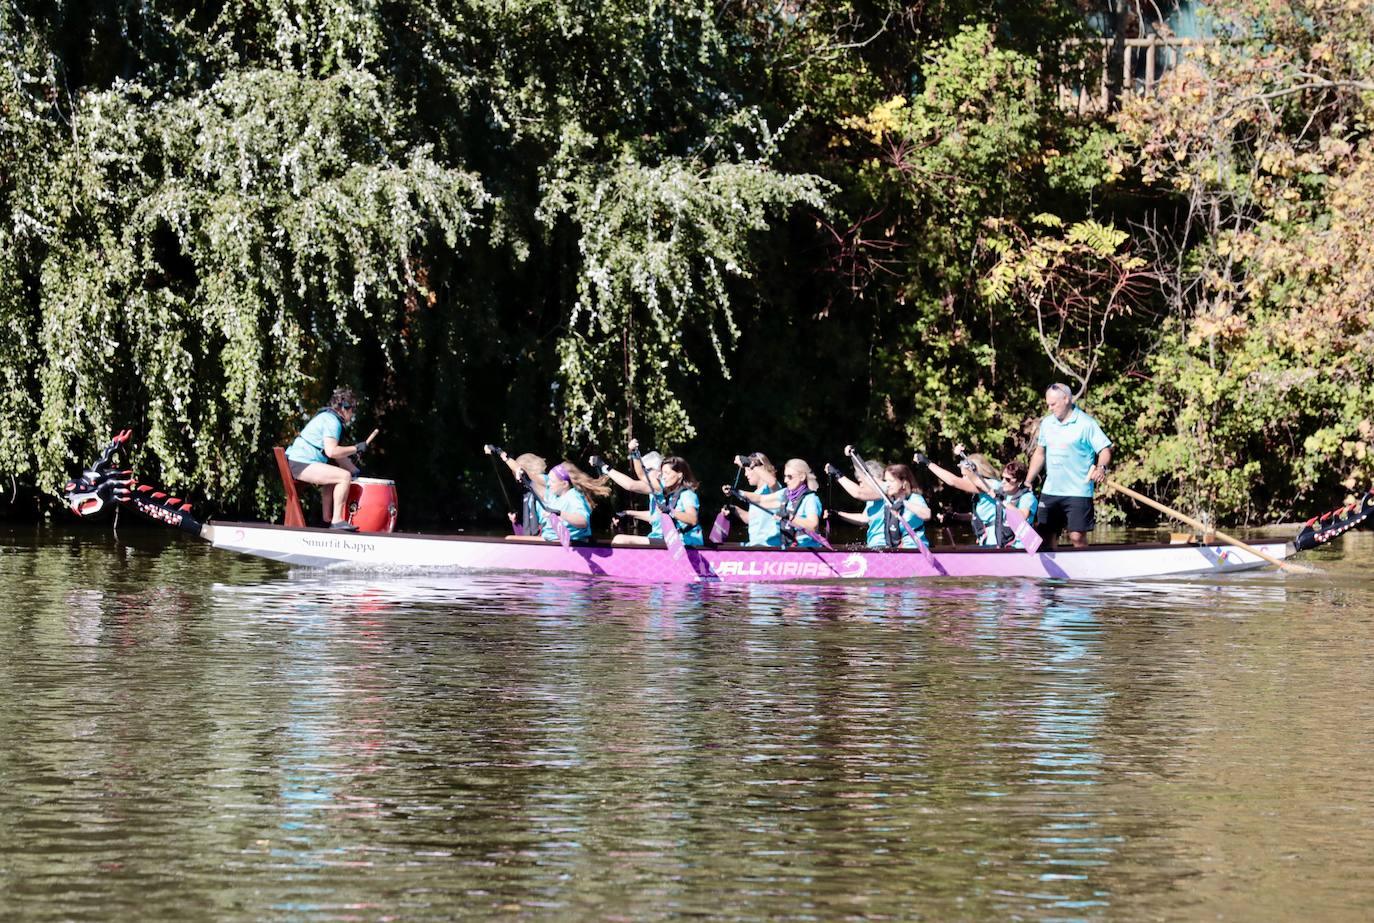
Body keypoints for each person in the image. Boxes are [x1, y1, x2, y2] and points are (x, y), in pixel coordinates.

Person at [1025, 383, 1113, 549]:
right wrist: (1029, 480)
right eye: (1048, 404)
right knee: (1044, 536)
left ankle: (1085, 571)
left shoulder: (1086, 423)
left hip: (1078, 491)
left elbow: (1104, 449)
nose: (1050, 408)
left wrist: (1101, 468)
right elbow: (1039, 453)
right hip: (1051, 490)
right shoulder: (1047, 424)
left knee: (1076, 536)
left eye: (1053, 404)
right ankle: (1050, 574)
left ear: (1066, 399)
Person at [284, 387, 370, 531]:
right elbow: (332, 452)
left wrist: (357, 472)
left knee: (335, 475)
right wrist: (356, 448)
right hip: (301, 464)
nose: (353, 414)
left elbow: (338, 456)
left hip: (298, 462)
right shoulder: (333, 422)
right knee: (343, 476)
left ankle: (327, 520)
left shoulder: (328, 417)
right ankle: (337, 521)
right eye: (353, 409)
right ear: (344, 408)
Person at [918, 450, 1038, 548]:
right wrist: (954, 516)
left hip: (997, 543)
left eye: (965, 475)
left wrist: (928, 463)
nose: (963, 479)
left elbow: (953, 481)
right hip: (989, 541)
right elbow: (983, 516)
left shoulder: (994, 486)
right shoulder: (996, 488)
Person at [830, 462, 931, 548]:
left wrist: (903, 503)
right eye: (886, 481)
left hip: (913, 549)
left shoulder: (913, 498)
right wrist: (838, 514)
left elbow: (927, 515)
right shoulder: (889, 497)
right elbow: (864, 518)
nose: (887, 484)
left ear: (903, 483)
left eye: (890, 481)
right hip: (884, 548)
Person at [732, 458, 825, 548]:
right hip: (790, 550)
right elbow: (760, 500)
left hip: (807, 550)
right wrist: (736, 492)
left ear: (802, 477)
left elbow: (813, 526)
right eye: (785, 476)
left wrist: (789, 517)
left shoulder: (811, 499)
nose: (785, 480)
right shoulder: (785, 493)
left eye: (789, 477)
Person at [513, 457, 611, 543]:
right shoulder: (553, 495)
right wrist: (523, 475)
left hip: (572, 543)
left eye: (552, 481)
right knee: (511, 539)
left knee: (511, 539)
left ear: (564, 484)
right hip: (550, 540)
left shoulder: (574, 497)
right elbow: (532, 482)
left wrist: (559, 513)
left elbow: (583, 522)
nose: (548, 484)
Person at [617, 455, 704, 546]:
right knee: (619, 538)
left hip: (687, 542)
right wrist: (634, 453)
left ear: (679, 474)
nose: (664, 477)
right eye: (663, 474)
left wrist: (670, 511)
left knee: (620, 539)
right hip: (670, 541)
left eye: (667, 473)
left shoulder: (687, 494)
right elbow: (642, 475)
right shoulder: (669, 494)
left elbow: (693, 519)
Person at [726, 453, 783, 547]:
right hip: (755, 545)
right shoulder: (756, 493)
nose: (745, 474)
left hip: (771, 547)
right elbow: (752, 519)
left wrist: (750, 464)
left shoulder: (772, 489)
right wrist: (733, 509)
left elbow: (772, 482)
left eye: (748, 470)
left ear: (762, 469)